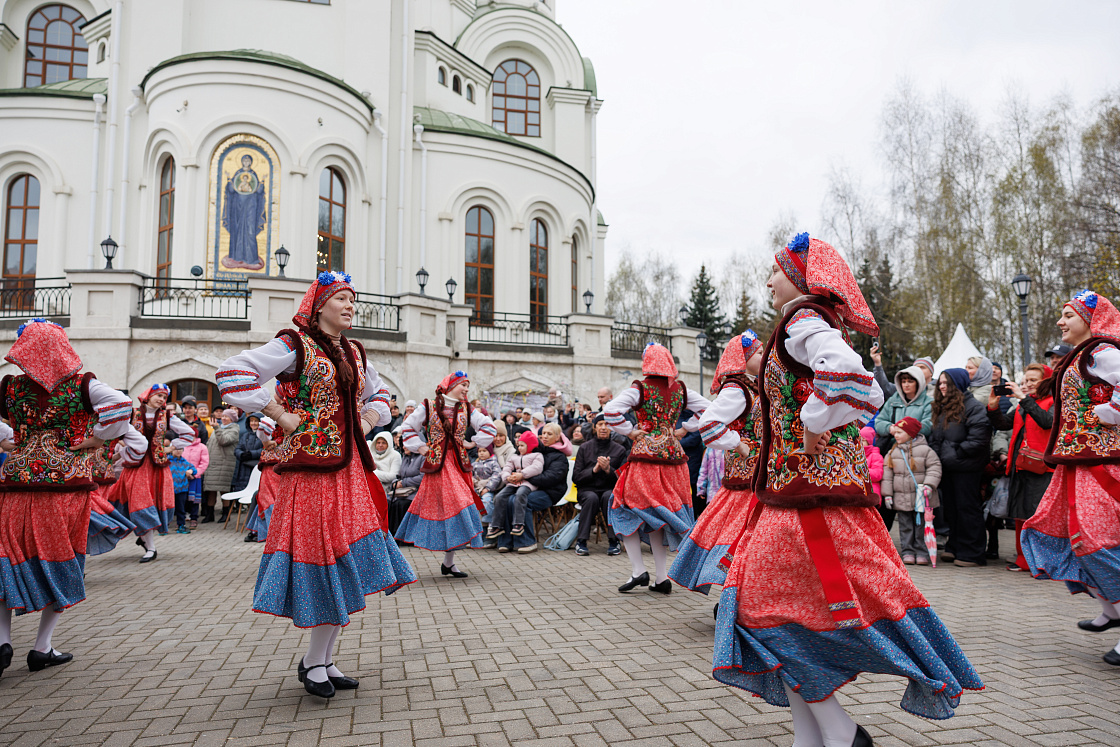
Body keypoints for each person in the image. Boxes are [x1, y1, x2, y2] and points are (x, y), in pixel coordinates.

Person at [713, 233, 982, 745]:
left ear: (798, 278)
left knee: (756, 609)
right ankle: (813, 737)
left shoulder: (803, 319)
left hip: (809, 500)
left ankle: (837, 733)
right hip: (795, 496)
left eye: (775, 271)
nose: (768, 281)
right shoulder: (805, 322)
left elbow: (854, 378)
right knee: (778, 612)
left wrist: (814, 420)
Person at [216, 270, 416, 698]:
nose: (349, 307)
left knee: (342, 562)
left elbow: (380, 396)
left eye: (353, 301)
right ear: (319, 304)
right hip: (310, 474)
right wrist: (278, 413)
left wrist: (365, 419)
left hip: (347, 472)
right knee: (325, 559)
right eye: (341, 299)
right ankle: (314, 663)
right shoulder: (292, 345)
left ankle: (319, 660)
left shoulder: (356, 352)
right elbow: (232, 374)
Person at [0, 319, 141, 678]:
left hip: (15, 483)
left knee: (7, 556)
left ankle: (2, 640)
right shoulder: (83, 385)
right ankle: (42, 646)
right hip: (64, 486)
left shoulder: (11, 388)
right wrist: (97, 438)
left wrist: (7, 438)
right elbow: (122, 406)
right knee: (61, 556)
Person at [1021, 290, 1120, 664]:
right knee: (1061, 531)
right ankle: (1111, 608)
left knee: (1096, 539)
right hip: (1075, 462)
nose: (1061, 321)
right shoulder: (1084, 354)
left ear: (1090, 320)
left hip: (1100, 463)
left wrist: (1107, 415)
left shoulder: (1102, 352)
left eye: (1069, 315)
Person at [604, 343, 710, 594]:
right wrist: (685, 429)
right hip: (675, 461)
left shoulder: (639, 389)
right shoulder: (681, 390)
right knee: (659, 516)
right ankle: (661, 578)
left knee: (623, 508)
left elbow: (610, 411)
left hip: (646, 461)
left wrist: (629, 431)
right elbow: (709, 409)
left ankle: (638, 571)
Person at [670, 330, 763, 596]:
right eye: (757, 352)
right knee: (740, 532)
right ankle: (732, 597)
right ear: (742, 360)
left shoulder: (753, 386)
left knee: (747, 534)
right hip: (746, 478)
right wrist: (738, 444)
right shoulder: (737, 388)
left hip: (755, 476)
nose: (763, 355)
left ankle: (740, 597)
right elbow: (709, 425)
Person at [396, 371, 496, 576]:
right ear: (452, 385)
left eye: (468, 386)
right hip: (438, 466)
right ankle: (415, 562)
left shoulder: (467, 408)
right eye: (463, 385)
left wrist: (473, 443)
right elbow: (406, 427)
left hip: (458, 465)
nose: (467, 390)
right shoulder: (429, 406)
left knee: (459, 506)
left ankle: (448, 562)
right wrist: (421, 447)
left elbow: (489, 426)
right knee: (448, 507)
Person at [107, 384, 196, 562]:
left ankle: (147, 541)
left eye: (164, 397)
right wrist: (123, 449)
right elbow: (116, 433)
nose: (162, 400)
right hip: (136, 467)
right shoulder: (132, 413)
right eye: (159, 396)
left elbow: (188, 433)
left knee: (153, 504)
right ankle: (150, 547)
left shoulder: (167, 415)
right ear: (148, 395)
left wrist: (171, 447)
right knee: (140, 503)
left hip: (157, 467)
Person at [987, 363, 1055, 572]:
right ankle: (1023, 560)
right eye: (1025, 381)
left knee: (1038, 518)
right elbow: (1003, 424)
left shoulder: (1055, 402)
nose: (1027, 385)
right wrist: (992, 407)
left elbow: (1046, 421)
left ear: (1046, 381)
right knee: (1020, 516)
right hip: (1020, 467)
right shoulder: (1023, 405)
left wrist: (1023, 399)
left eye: (1033, 380)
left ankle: (1044, 564)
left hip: (1044, 470)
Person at [928, 368, 992, 567]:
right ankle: (954, 546)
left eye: (947, 382)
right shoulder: (943, 407)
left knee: (967, 508)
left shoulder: (973, 407)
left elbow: (979, 439)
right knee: (952, 510)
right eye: (941, 382)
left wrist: (955, 453)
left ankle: (972, 552)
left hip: (966, 467)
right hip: (948, 467)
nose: (942, 386)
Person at [492, 423, 570, 554]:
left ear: (557, 438)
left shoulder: (559, 456)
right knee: (506, 499)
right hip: (527, 487)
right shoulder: (533, 449)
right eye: (543, 433)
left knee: (522, 501)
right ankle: (506, 542)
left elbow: (550, 478)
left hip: (549, 492)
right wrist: (511, 476)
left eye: (549, 434)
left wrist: (522, 477)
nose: (544, 436)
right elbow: (514, 463)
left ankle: (527, 542)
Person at [881, 417, 942, 565]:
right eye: (895, 433)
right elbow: (887, 475)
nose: (896, 436)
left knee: (921, 526)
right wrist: (887, 494)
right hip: (901, 497)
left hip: (921, 497)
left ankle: (922, 552)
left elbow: (935, 468)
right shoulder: (893, 452)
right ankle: (907, 551)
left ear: (910, 433)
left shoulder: (926, 451)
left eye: (900, 432)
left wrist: (929, 485)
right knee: (905, 526)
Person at [571, 415, 627, 556]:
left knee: (609, 497)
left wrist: (609, 470)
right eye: (600, 424)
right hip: (587, 489)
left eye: (607, 424)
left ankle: (614, 542)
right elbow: (576, 477)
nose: (603, 427)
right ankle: (581, 541)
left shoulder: (619, 450)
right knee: (591, 498)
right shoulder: (584, 448)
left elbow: (623, 480)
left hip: (609, 489)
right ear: (595, 427)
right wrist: (594, 470)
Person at [486, 431, 545, 541]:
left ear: (530, 445)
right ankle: (497, 525)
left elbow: (537, 468)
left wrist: (522, 475)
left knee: (520, 494)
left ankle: (519, 523)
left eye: (523, 445)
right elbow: (506, 468)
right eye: (519, 445)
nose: (520, 448)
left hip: (527, 483)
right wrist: (507, 477)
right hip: (514, 482)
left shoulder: (537, 455)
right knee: (499, 496)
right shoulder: (514, 457)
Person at [873, 365, 933, 453]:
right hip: (893, 449)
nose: (906, 385)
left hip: (917, 450)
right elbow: (879, 421)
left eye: (910, 381)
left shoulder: (929, 402)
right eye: (903, 381)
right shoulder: (893, 400)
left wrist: (904, 430)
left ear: (919, 383)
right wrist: (890, 428)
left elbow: (928, 425)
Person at [245, 416, 281, 544]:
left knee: (270, 498)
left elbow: (263, 428)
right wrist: (266, 442)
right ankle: (272, 532)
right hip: (276, 464)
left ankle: (270, 531)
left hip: (276, 464)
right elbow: (264, 427)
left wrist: (266, 441)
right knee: (269, 498)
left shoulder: (277, 411)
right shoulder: (279, 411)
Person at [202, 409, 238, 523]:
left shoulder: (234, 429)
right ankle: (210, 514)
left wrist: (217, 428)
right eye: (222, 416)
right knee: (210, 489)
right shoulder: (219, 428)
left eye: (226, 417)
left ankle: (226, 514)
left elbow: (224, 440)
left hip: (225, 464)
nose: (223, 418)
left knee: (224, 490)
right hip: (212, 463)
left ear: (232, 419)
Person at [387, 442, 423, 535]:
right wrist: (395, 482)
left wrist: (403, 483)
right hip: (404, 491)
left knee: (401, 504)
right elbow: (399, 475)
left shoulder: (422, 458)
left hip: (417, 491)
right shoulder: (405, 457)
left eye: (406, 444)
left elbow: (423, 477)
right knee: (389, 501)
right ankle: (391, 533)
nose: (403, 447)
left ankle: (403, 535)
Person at [168, 439, 197, 535]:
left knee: (181, 509)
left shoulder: (184, 462)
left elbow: (194, 469)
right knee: (167, 508)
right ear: (171, 449)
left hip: (182, 489)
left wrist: (191, 471)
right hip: (169, 489)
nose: (178, 451)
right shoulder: (167, 461)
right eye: (176, 448)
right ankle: (163, 526)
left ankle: (181, 525)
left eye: (180, 449)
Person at [230, 413, 263, 494]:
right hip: (243, 468)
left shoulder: (265, 435)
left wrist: (251, 454)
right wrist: (241, 454)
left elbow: (265, 450)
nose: (253, 423)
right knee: (242, 490)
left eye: (256, 421)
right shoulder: (245, 435)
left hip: (257, 467)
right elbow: (237, 448)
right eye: (251, 421)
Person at [182, 429, 209, 529]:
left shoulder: (202, 447)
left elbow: (204, 463)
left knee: (194, 499)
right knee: (182, 498)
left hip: (195, 477)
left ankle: (194, 518)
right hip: (183, 477)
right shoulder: (182, 446)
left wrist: (195, 473)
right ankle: (182, 518)